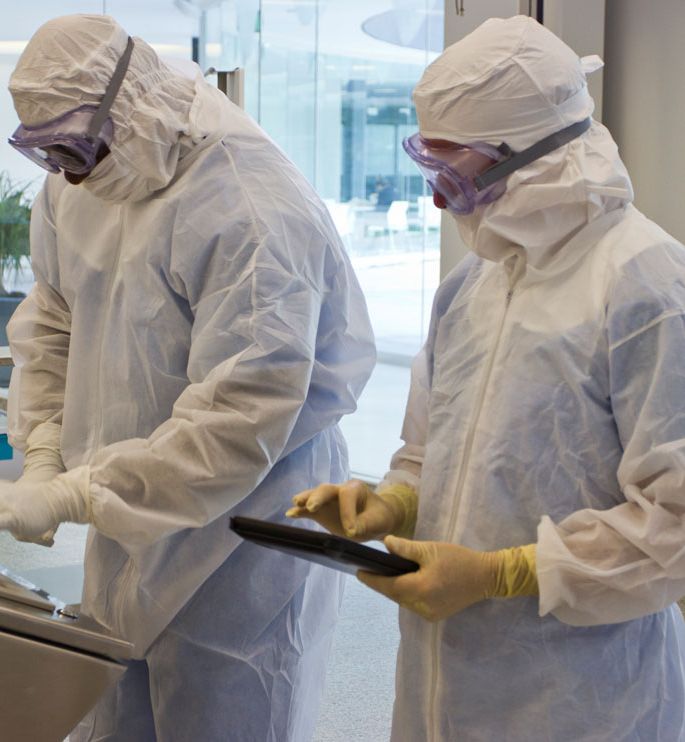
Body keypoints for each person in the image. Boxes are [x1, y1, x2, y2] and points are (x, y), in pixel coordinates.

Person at [0, 14, 376, 742]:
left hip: (246, 523)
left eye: (75, 147)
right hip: (128, 509)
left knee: (226, 712)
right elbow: (51, 319)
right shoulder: (80, 183)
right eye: (47, 153)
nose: (67, 171)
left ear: (131, 103)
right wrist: (45, 449)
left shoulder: (249, 203)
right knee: (113, 713)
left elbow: (240, 416)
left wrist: (77, 490)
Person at [288, 15, 685, 741]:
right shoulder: (473, 284)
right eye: (430, 169)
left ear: (539, 156)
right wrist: (386, 506)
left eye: (457, 171)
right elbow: (433, 452)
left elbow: (675, 524)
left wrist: (500, 573)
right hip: (446, 682)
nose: (440, 198)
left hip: (581, 697)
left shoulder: (644, 284)